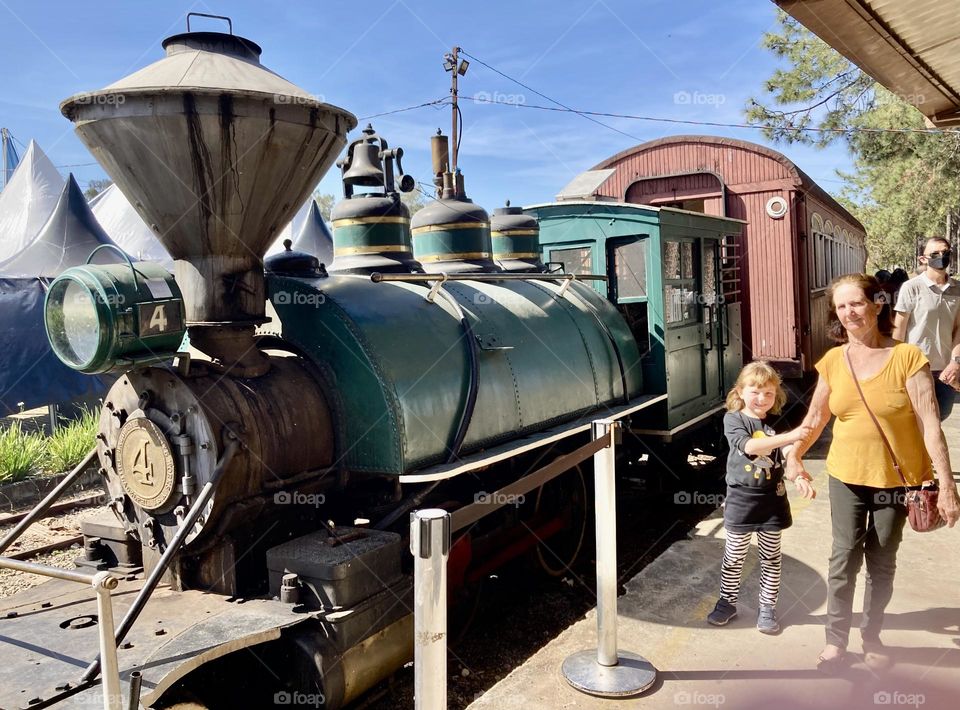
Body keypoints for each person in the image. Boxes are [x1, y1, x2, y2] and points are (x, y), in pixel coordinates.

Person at [787, 273, 960, 673]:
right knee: (843, 558)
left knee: (881, 562)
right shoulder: (833, 361)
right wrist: (795, 454)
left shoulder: (907, 357)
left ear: (877, 304)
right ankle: (835, 642)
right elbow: (815, 418)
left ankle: (872, 636)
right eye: (842, 306)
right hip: (846, 476)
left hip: (898, 482)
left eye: (857, 303)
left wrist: (947, 486)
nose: (849, 313)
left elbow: (930, 424)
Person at [707, 362, 816, 634]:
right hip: (742, 500)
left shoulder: (777, 420)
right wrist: (789, 437)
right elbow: (750, 446)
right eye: (755, 391)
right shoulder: (733, 419)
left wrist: (798, 473)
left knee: (771, 557)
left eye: (769, 393)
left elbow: (789, 452)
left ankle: (767, 608)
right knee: (734, 555)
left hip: (772, 500)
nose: (762, 399)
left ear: (776, 395)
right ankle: (727, 602)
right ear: (741, 392)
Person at [893, 237, 960, 420]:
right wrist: (894, 367)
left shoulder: (957, 290)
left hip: (945, 371)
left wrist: (955, 362)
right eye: (935, 254)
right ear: (923, 259)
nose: (942, 257)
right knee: (916, 421)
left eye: (945, 253)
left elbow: (958, 331)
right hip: (915, 368)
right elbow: (899, 330)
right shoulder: (911, 288)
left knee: (940, 417)